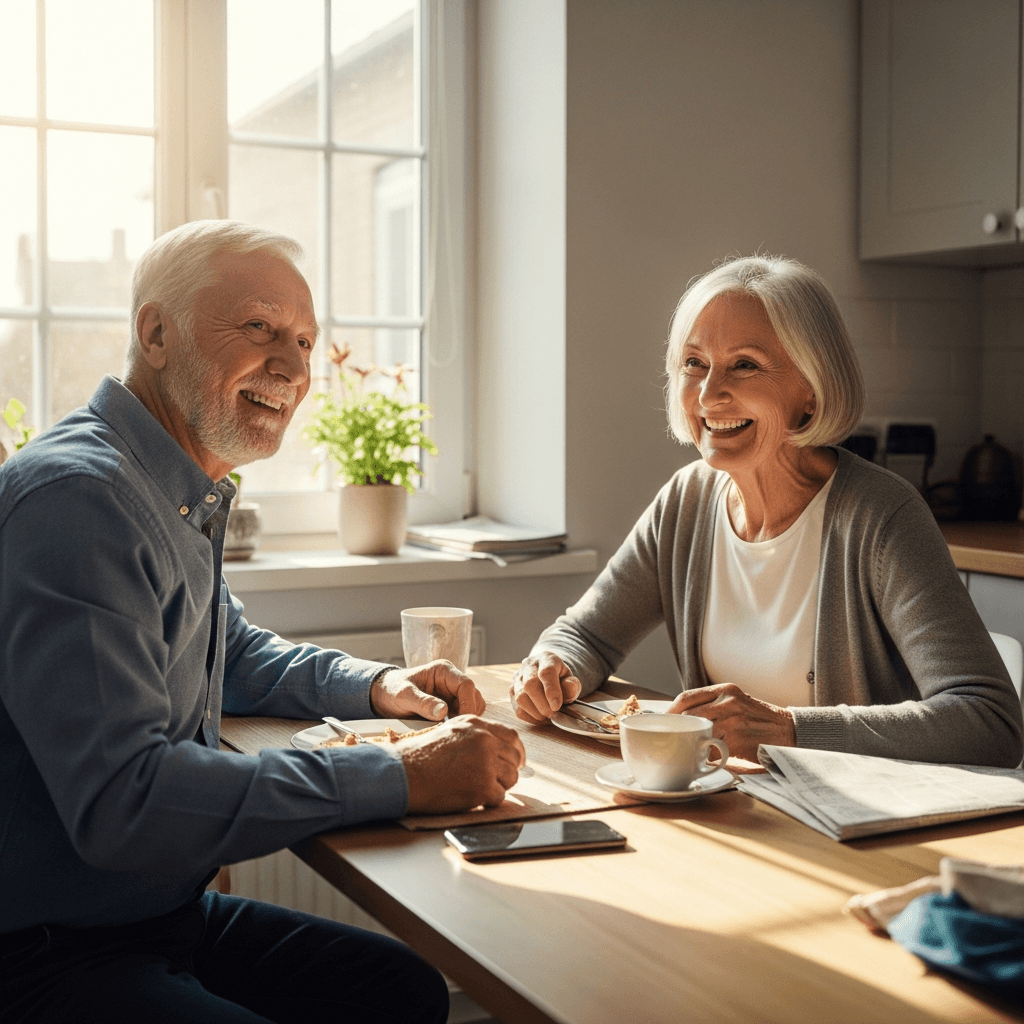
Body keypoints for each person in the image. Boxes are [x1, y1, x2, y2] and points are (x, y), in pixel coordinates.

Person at [0, 219, 526, 1024]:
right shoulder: (82, 500)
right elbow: (125, 801)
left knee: (399, 990)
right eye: (260, 329)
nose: (293, 366)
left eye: (307, 342)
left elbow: (228, 650)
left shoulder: (167, 483)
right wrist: (400, 775)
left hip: (151, 920)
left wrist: (379, 685)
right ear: (156, 333)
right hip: (46, 951)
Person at [512, 254, 1023, 769]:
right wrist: (555, 666)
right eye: (695, 363)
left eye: (746, 364)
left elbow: (991, 722)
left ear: (811, 389)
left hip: (856, 832)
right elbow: (586, 634)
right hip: (741, 811)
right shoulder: (686, 501)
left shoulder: (881, 517)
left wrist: (787, 729)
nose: (710, 395)